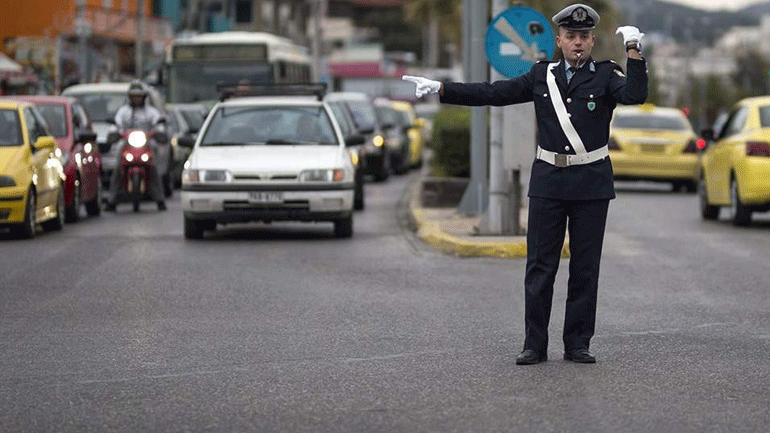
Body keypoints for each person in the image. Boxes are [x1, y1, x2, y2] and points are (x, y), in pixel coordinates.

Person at [403, 4, 647, 365]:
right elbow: (493, 93)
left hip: (591, 184)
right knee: (540, 268)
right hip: (549, 182)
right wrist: (442, 89)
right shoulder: (540, 75)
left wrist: (633, 50)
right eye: (571, 36)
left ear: (592, 40)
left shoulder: (607, 75)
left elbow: (635, 95)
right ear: (559, 40)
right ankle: (534, 344)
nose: (577, 43)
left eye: (584, 37)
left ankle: (577, 343)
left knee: (584, 268)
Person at [106, 80, 167, 211]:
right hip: (127, 145)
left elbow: (159, 125)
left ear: (144, 97)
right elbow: (116, 125)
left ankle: (160, 199)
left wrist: (159, 133)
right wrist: (114, 133)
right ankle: (111, 200)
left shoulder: (151, 112)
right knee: (118, 167)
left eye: (139, 96)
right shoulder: (124, 111)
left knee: (154, 167)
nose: (136, 99)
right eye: (134, 96)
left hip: (146, 145)